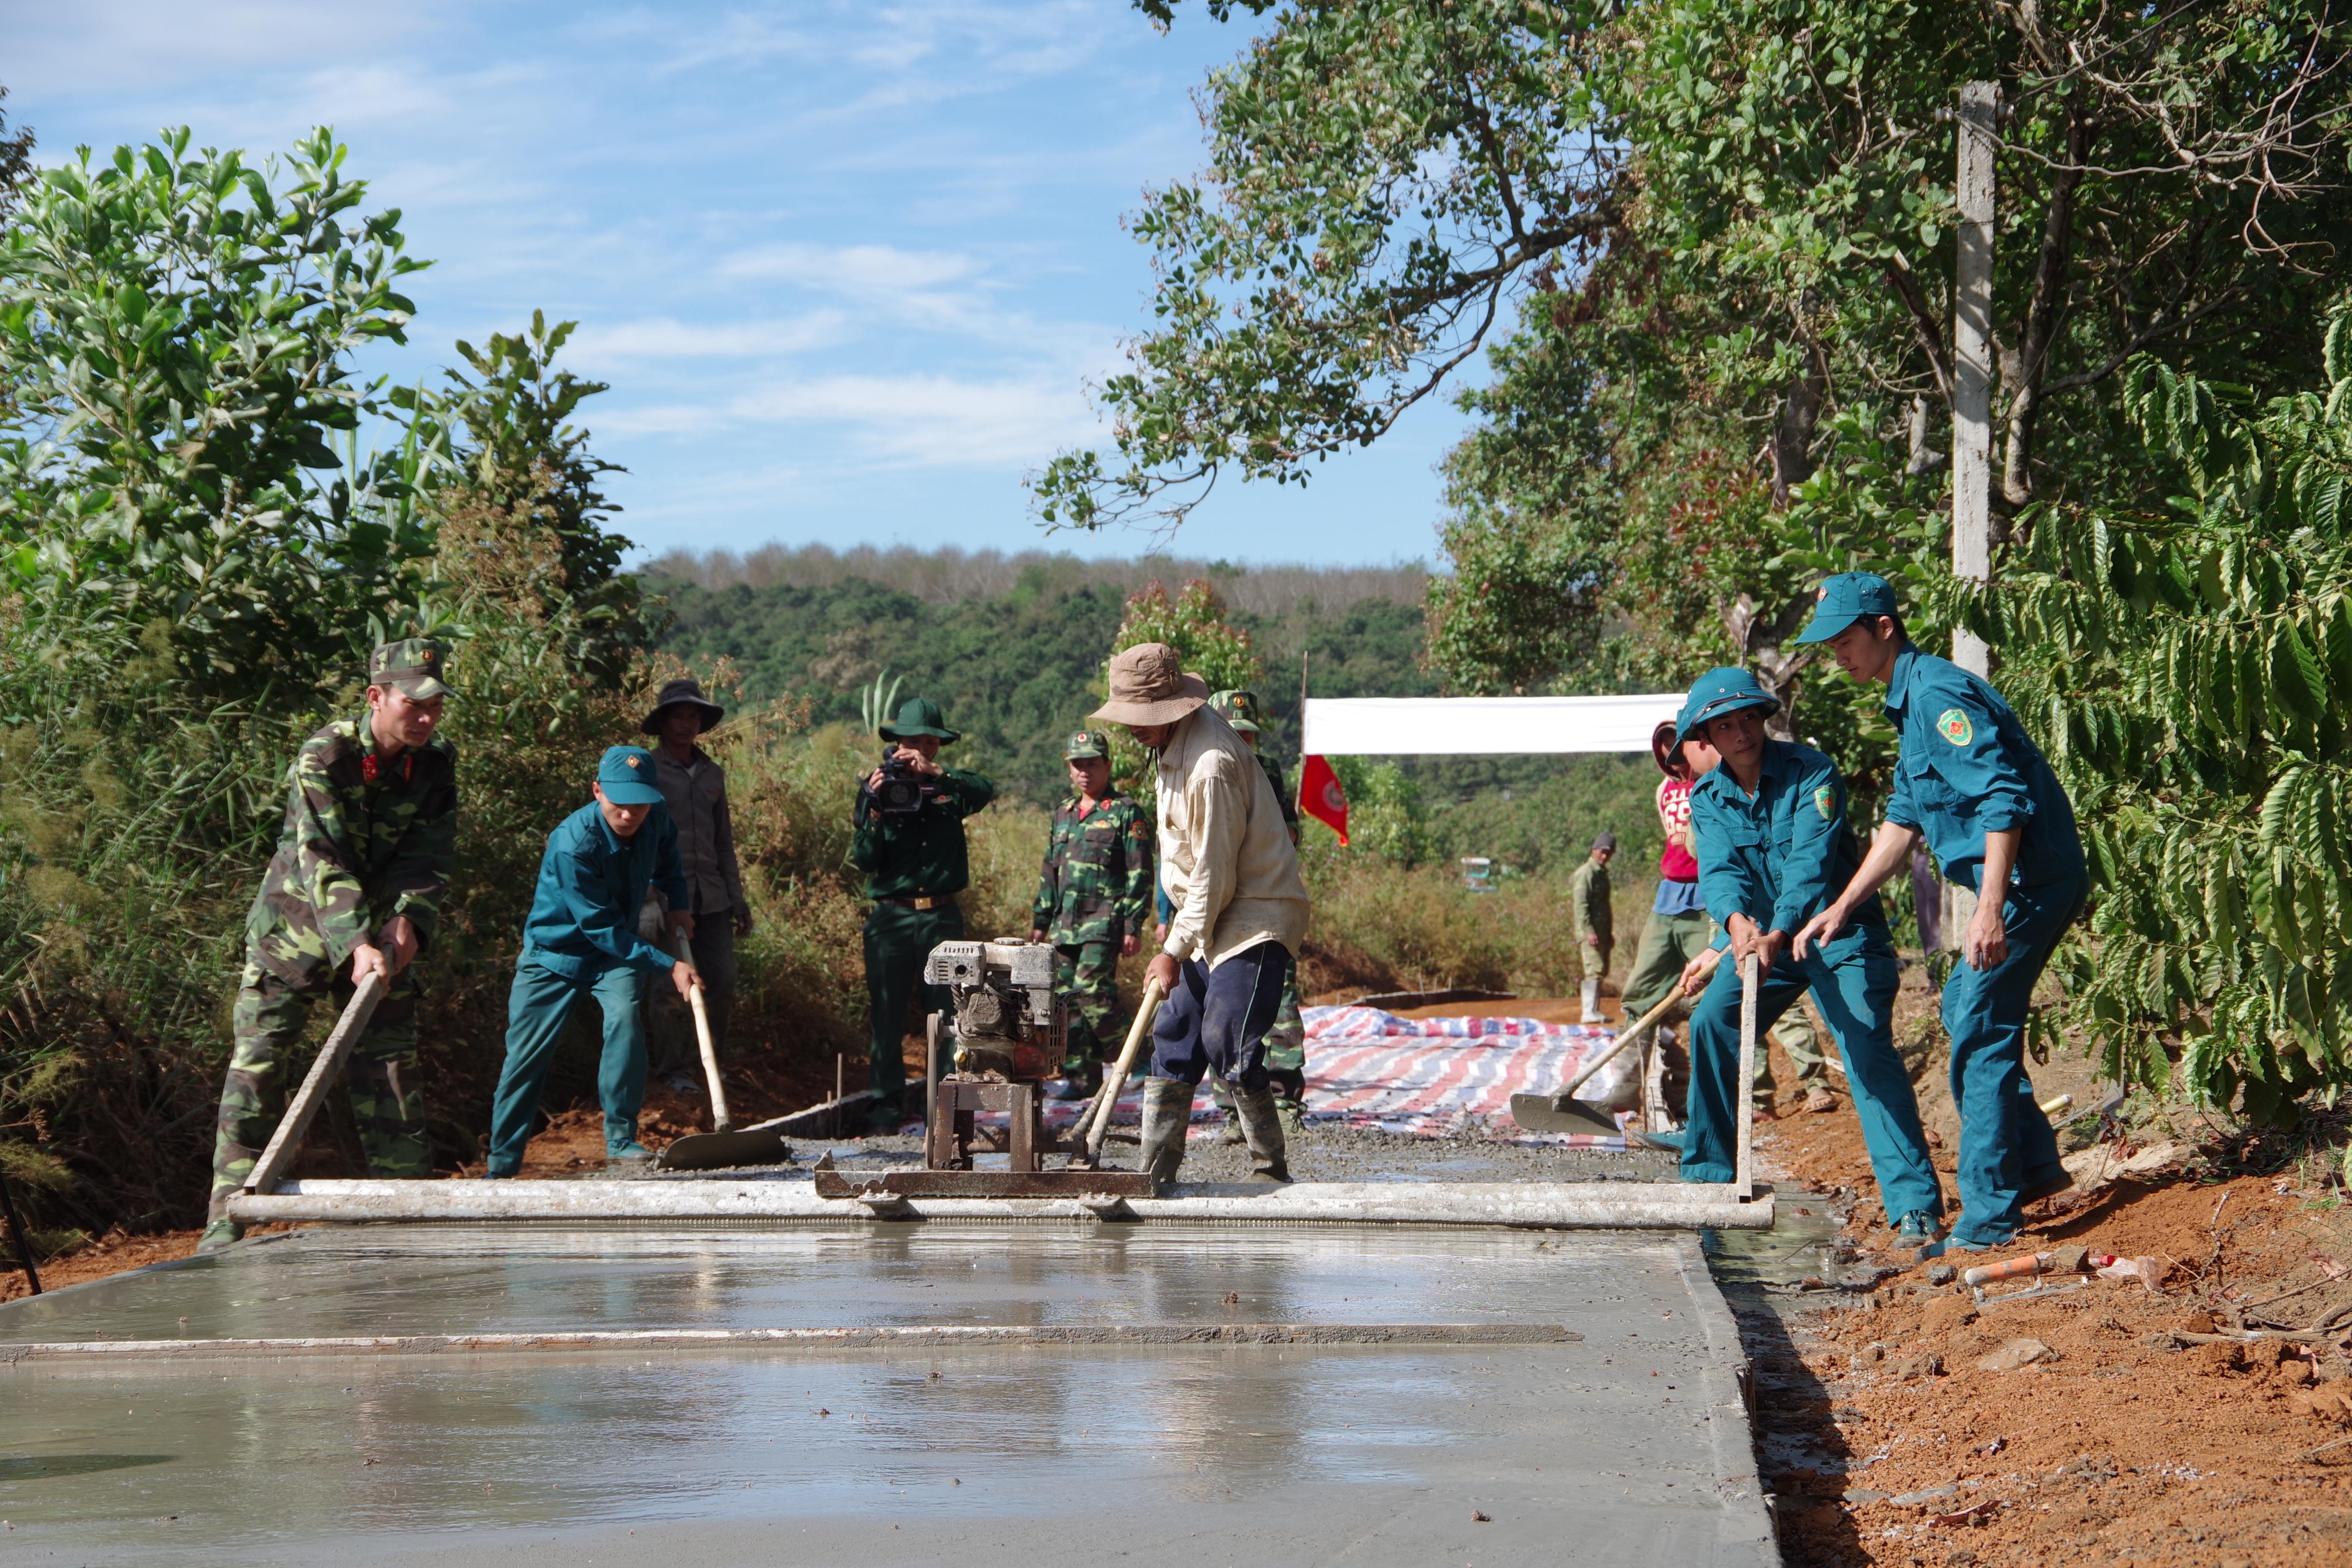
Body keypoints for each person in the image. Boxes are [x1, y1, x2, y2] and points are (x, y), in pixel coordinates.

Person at [1792, 572, 2086, 1252]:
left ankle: (1988, 1222)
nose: (1837, 654)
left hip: (2029, 884)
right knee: (1962, 1008)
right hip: (2016, 884)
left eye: (1844, 639)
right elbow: (1902, 822)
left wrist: (1990, 909)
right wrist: (1842, 906)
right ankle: (2032, 1166)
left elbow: (2002, 798)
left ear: (1883, 628)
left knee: (1979, 1030)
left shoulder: (1936, 694)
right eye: (1830, 644)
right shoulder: (1908, 702)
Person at [199, 639, 459, 1252]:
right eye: (414, 704)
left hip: (384, 941)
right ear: (376, 698)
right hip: (294, 934)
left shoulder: (436, 763)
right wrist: (357, 943)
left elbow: (428, 855)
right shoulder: (325, 755)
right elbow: (322, 858)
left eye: (435, 705)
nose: (426, 717)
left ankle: (410, 1221)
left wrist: (409, 921)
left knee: (391, 1072)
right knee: (259, 1071)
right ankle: (226, 1224)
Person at [1674, 667, 1944, 1243]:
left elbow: (1809, 864)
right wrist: (1736, 926)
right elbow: (1720, 872)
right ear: (1706, 738)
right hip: (1766, 946)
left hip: (1835, 935)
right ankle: (1711, 1179)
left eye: (1749, 718)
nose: (1742, 733)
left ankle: (1914, 1207)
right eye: (1725, 726)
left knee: (1866, 1049)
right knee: (1712, 1022)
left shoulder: (1812, 772)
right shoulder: (1707, 796)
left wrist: (1778, 929)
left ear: (1763, 719)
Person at [1093, 644, 1309, 1184]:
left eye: (1142, 716)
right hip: (1207, 911)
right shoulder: (1168, 743)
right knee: (1175, 1031)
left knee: (1226, 1038)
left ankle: (1269, 1168)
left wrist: (1172, 950)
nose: (1132, 728)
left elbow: (1216, 876)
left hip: (1253, 913)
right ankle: (1155, 1169)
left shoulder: (1211, 764)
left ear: (1171, 708)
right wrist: (1180, 939)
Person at [484, 747, 698, 1176]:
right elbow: (600, 929)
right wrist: (669, 965)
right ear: (597, 791)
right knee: (526, 1058)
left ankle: (620, 1141)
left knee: (625, 1020)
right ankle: (501, 1166)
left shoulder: (655, 817)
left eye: (639, 803)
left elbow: (670, 861)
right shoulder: (573, 844)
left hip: (614, 955)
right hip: (555, 956)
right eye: (619, 803)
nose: (629, 814)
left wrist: (678, 903)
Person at [1623, 720, 1840, 1121]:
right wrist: (1718, 944)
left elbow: (1774, 865)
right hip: (1718, 908)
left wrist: (1762, 924)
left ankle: (1810, 1082)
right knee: (1726, 999)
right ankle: (1749, 1099)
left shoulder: (1748, 787)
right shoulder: (1689, 794)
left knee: (1766, 994)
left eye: (1683, 751)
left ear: (1704, 743)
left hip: (1765, 911)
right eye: (1671, 757)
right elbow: (1714, 867)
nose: (1681, 764)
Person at [853, 697, 996, 1134]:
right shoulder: (876, 786)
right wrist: (874, 808)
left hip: (941, 917)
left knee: (949, 1015)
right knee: (887, 1015)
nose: (921, 749)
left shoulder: (950, 789)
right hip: (891, 919)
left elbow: (985, 790)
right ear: (898, 742)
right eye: (914, 742)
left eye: (931, 743)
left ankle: (945, 1106)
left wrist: (937, 774)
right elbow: (864, 859)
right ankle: (885, 1107)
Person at [641, 677, 751, 1093]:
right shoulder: (648, 773)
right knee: (669, 989)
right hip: (666, 899)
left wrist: (737, 900)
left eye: (693, 717)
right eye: (678, 717)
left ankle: (709, 1064)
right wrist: (649, 899)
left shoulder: (712, 774)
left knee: (721, 981)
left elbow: (723, 842)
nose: (687, 724)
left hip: (713, 899)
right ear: (663, 722)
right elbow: (638, 838)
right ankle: (674, 1071)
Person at [1030, 729, 1154, 1099]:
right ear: (1070, 769)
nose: (1085, 772)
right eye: (1078, 765)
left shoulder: (1125, 812)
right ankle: (1082, 1078)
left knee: (1093, 992)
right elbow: (1050, 871)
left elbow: (1140, 872)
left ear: (1108, 766)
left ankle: (1141, 1059)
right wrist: (1040, 921)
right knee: (1064, 1000)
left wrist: (1133, 924)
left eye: (1093, 764)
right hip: (1064, 925)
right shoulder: (1063, 813)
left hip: (1104, 922)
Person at [1207, 689, 1310, 1132]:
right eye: (1234, 733)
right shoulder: (1203, 768)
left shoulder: (1267, 770)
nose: (1242, 742)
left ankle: (1284, 1103)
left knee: (1279, 1000)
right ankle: (1233, 1109)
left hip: (1267, 903)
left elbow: (1291, 830)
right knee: (1223, 1007)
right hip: (1220, 907)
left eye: (1248, 735)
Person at [1567, 833, 1615, 1022]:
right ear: (1594, 850)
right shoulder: (1586, 873)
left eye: (1609, 853)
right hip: (1590, 932)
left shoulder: (1601, 873)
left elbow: (1604, 906)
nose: (1605, 856)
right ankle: (1588, 1012)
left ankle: (1594, 1011)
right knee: (1594, 969)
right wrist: (1589, 931)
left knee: (1601, 970)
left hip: (1601, 932)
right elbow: (1581, 906)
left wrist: (1608, 934)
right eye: (1602, 852)